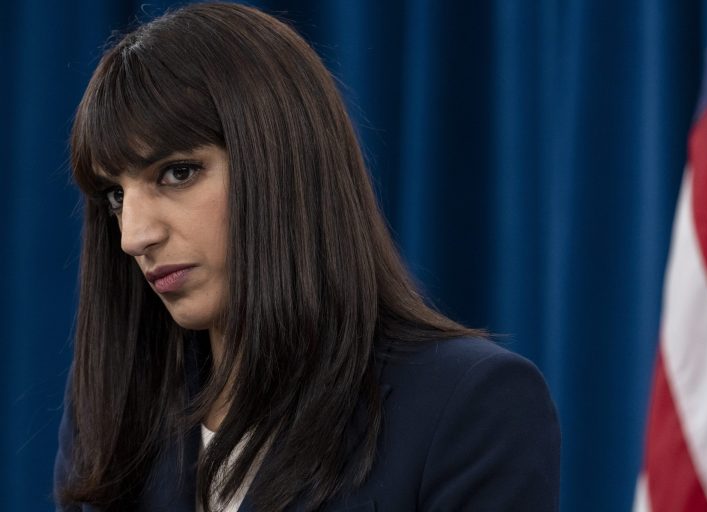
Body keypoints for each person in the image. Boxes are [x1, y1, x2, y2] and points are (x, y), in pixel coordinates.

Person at [53, 3, 560, 511]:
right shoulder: (110, 418)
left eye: (177, 172)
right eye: (115, 197)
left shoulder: (470, 406)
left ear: (283, 163)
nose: (134, 236)